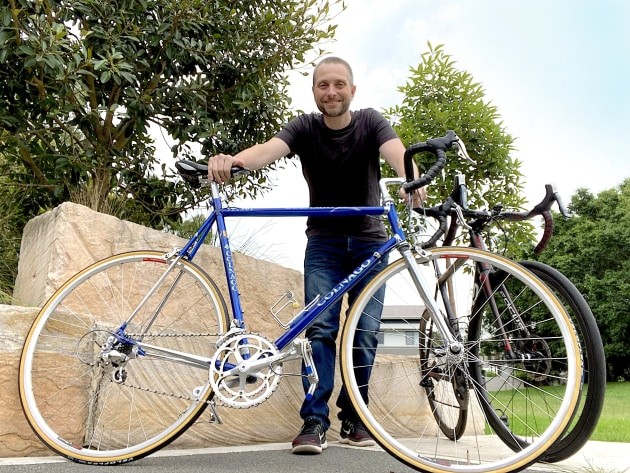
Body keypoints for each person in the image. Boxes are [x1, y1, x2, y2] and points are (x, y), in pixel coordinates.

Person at [208, 56, 424, 455]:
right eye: (323, 85)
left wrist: (411, 176)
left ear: (352, 91)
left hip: (370, 242)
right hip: (323, 243)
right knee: (321, 330)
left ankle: (355, 417)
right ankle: (314, 419)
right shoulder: (305, 127)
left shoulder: (370, 121)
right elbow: (267, 151)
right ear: (314, 92)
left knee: (365, 334)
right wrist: (232, 160)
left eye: (339, 84)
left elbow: (398, 151)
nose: (332, 91)